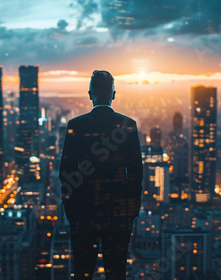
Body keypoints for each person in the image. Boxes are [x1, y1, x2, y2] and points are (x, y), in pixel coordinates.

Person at [59, 70, 143, 279]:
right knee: (116, 272)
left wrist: (71, 209)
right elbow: (135, 173)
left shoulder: (75, 126)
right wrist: (131, 211)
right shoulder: (128, 125)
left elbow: (66, 171)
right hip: (119, 214)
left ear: (90, 94)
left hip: (83, 213)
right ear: (114, 94)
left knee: (83, 271)